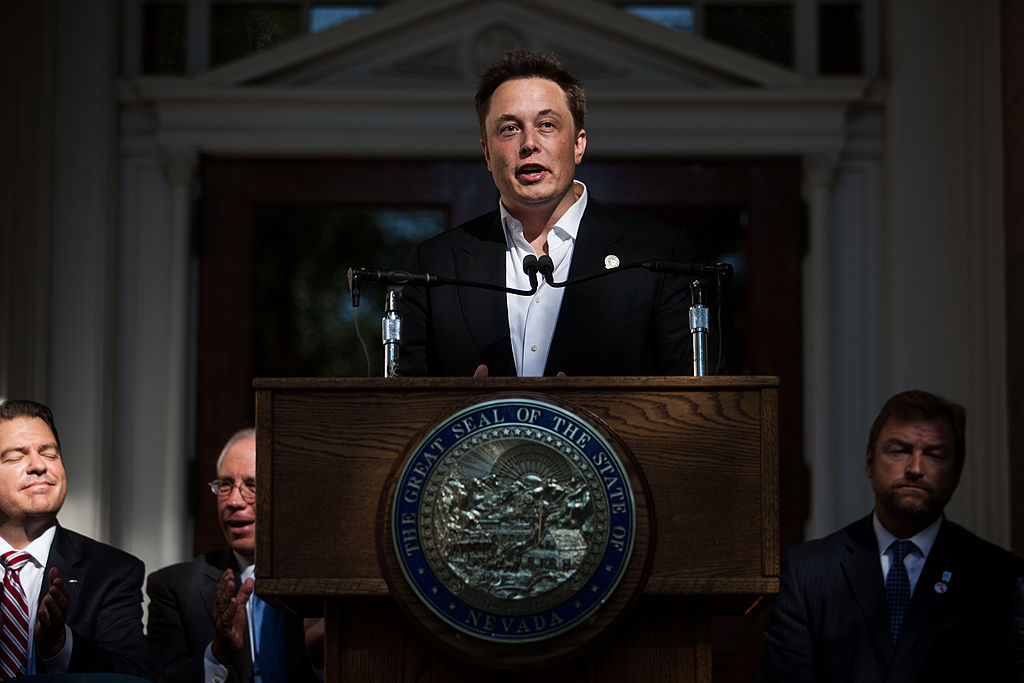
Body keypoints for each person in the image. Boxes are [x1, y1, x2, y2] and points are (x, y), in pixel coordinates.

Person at [399, 50, 694, 377]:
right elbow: (407, 399)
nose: (529, 143)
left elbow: (693, 395)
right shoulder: (435, 264)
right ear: (487, 154)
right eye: (510, 128)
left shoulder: (657, 255)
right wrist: (463, 402)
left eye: (547, 125)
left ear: (578, 144)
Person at [758, 390, 1024, 682]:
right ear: (869, 462)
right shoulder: (807, 572)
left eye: (934, 455)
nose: (915, 468)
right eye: (899, 451)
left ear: (956, 473)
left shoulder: (999, 577)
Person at [146, 428, 321, 682]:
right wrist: (217, 655)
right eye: (225, 485)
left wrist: (320, 658)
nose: (233, 501)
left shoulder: (326, 582)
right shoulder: (174, 588)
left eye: (251, 485)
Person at [0, 398, 149, 676]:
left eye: (50, 454)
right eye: (16, 457)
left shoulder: (111, 572)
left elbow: (131, 675)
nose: (39, 465)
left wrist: (60, 646)